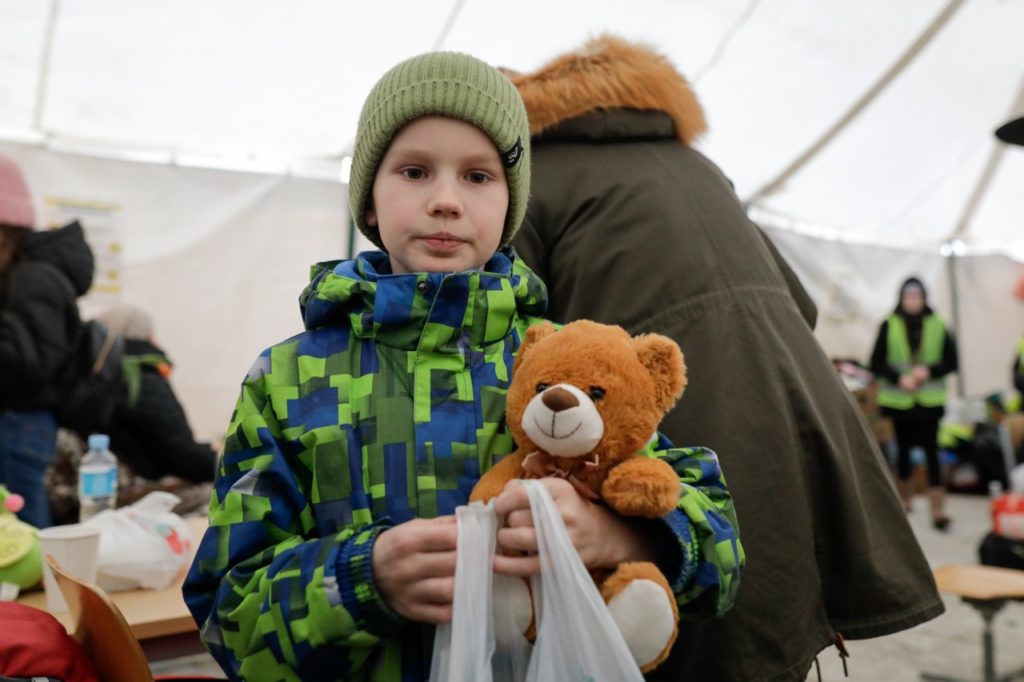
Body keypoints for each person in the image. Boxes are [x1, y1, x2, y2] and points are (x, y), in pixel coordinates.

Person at [183, 52, 743, 681]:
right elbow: (227, 616)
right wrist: (361, 580)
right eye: (415, 171)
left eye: (479, 177)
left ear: (511, 205)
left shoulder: (567, 363)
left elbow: (723, 555)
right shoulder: (287, 380)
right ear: (369, 200)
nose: (446, 201)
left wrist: (622, 537)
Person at [508, 35, 942, 682]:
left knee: (702, 635)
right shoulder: (698, 168)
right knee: (777, 616)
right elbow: (801, 303)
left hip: (684, 417)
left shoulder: (528, 181)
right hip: (797, 403)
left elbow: (509, 345)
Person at [0, 153, 94, 528]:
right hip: (17, 423)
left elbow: (30, 363)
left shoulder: (35, 278)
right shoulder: (20, 276)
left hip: (19, 425)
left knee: (22, 539)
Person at [94, 303, 217, 483]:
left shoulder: (97, 374)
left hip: (107, 482)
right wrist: (227, 461)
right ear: (146, 335)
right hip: (139, 488)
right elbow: (181, 453)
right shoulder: (140, 377)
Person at [870, 277, 958, 527]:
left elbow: (952, 361)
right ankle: (905, 502)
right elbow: (876, 362)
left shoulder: (938, 324)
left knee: (933, 451)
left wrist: (929, 371)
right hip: (900, 401)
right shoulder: (889, 324)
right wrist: (899, 378)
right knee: (904, 450)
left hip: (929, 401)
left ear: (924, 298)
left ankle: (937, 509)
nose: (913, 301)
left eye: (917, 297)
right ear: (901, 299)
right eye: (908, 297)